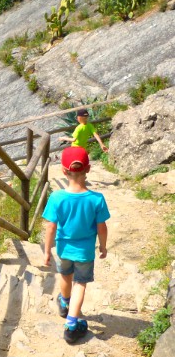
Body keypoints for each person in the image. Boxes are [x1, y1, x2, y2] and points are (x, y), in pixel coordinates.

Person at [43, 146, 110, 344]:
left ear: (63, 171)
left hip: (63, 249)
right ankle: (72, 324)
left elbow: (50, 227)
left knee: (65, 275)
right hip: (85, 251)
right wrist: (103, 246)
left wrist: (47, 251)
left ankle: (65, 304)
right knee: (80, 283)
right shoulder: (96, 199)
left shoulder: (56, 197)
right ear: (88, 169)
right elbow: (102, 227)